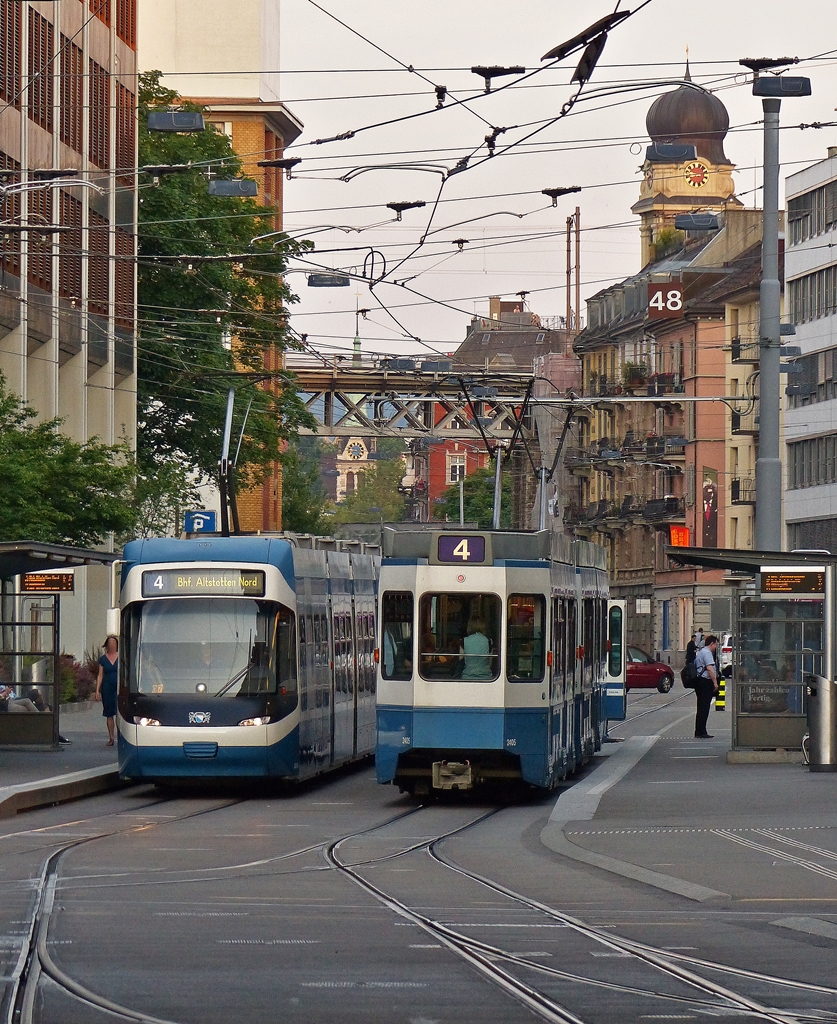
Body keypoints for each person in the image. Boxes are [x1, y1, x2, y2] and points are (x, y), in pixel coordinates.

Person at [693, 634, 719, 738]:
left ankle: (699, 731)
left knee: (701, 707)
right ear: (712, 644)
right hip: (705, 682)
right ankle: (702, 732)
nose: (716, 647)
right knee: (704, 708)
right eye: (715, 644)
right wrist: (715, 683)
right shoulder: (707, 653)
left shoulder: (700, 652)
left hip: (699, 682)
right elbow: (709, 669)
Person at [95, 635, 119, 747]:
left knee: (121, 712)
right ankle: (111, 737)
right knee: (109, 713)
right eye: (110, 644)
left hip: (119, 688)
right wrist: (97, 690)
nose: (112, 646)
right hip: (107, 688)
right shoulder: (103, 659)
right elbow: (100, 675)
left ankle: (122, 737)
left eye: (114, 643)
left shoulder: (121, 657)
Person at [461, 614, 492, 680]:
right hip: (486, 677)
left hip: (468, 676)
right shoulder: (489, 641)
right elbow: (490, 662)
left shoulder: (464, 641)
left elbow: (461, 659)